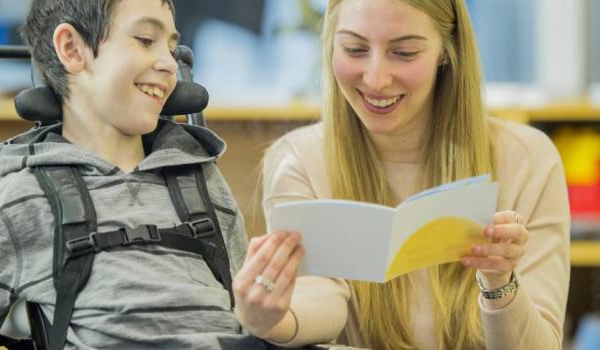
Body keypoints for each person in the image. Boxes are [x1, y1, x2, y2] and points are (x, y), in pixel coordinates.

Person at [0, 0, 267, 349]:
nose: (168, 64)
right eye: (145, 40)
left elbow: (250, 317)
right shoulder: (23, 198)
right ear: (72, 49)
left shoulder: (202, 181)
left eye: (172, 47)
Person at [233, 0, 570, 349]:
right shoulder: (298, 160)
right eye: (355, 49)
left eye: (405, 52)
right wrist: (273, 318)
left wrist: (500, 281)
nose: (376, 78)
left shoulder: (528, 159)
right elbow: (322, 295)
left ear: (446, 50)